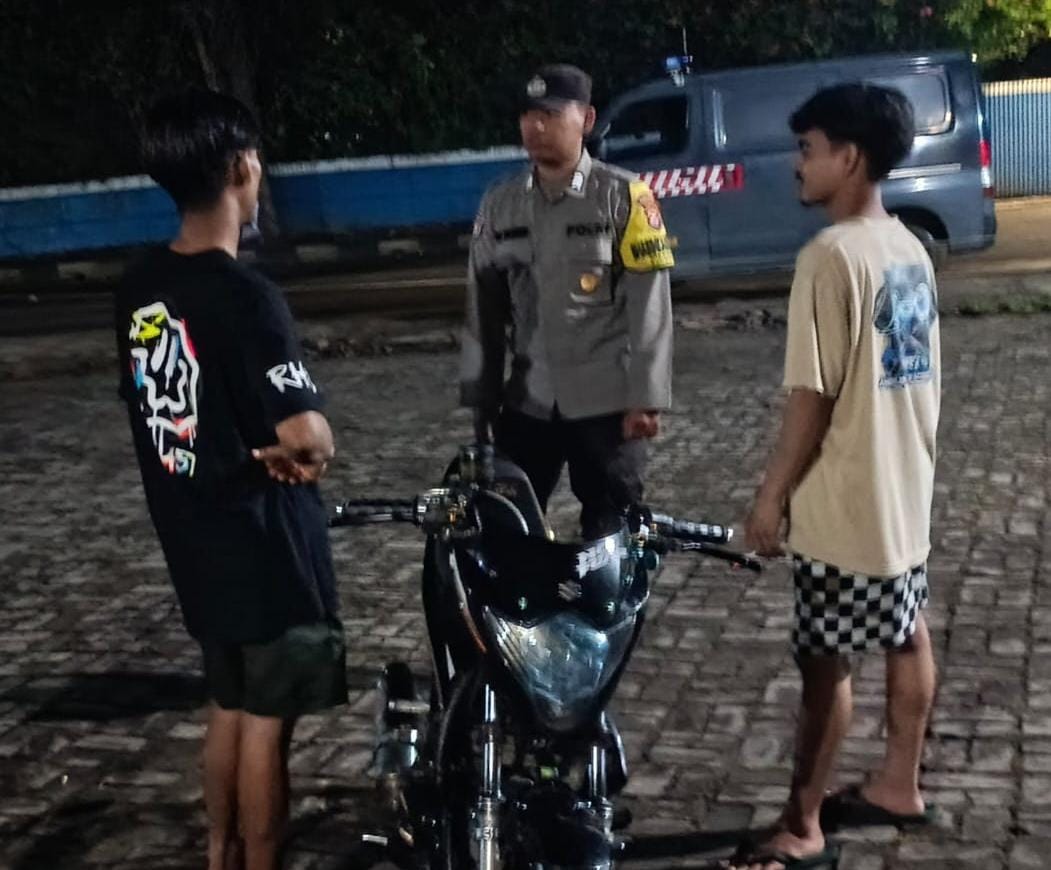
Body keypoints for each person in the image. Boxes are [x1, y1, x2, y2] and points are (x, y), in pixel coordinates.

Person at [115, 89, 346, 870]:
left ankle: (219, 854)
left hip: (191, 533)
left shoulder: (138, 286)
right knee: (266, 724)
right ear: (242, 168)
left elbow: (163, 411)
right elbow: (305, 435)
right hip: (264, 543)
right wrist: (309, 446)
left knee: (227, 703)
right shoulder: (246, 295)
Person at [733, 83, 940, 870]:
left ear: (847, 157)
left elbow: (811, 399)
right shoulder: (906, 246)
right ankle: (898, 785)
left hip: (845, 500)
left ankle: (801, 825)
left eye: (807, 149)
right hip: (901, 492)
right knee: (904, 629)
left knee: (826, 664)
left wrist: (770, 500)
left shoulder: (828, 256)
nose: (797, 164)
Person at [459, 63, 674, 540]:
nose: (535, 127)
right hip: (529, 402)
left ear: (587, 119)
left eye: (551, 115)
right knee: (507, 530)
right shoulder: (500, 203)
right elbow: (483, 308)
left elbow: (650, 305)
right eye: (528, 115)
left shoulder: (624, 196)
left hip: (607, 405)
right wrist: (481, 397)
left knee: (610, 533)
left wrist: (646, 398)